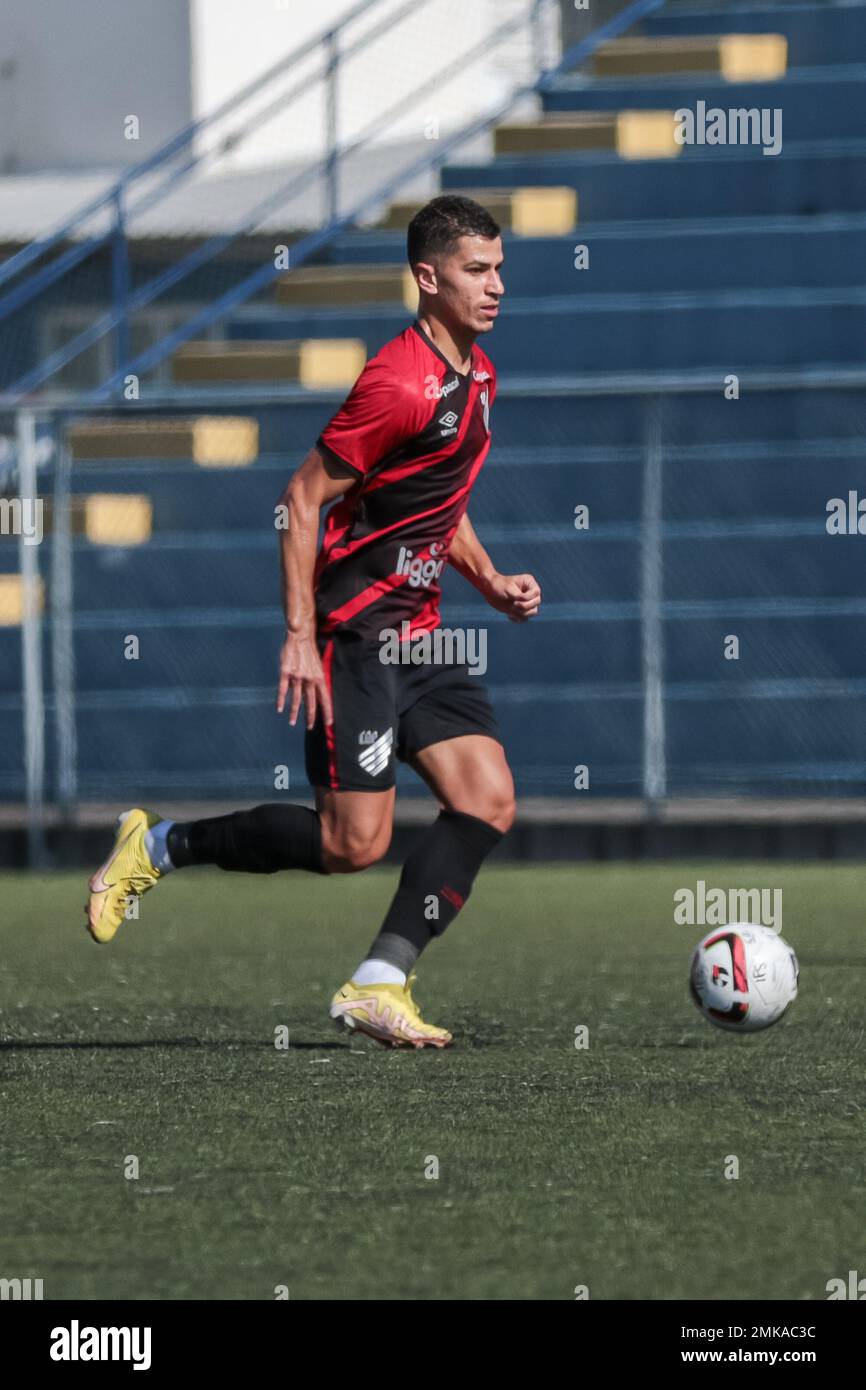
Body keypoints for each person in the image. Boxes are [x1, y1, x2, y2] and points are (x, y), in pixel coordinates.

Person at [85, 194, 542, 1048]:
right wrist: (300, 634)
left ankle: (379, 981)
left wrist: (488, 579)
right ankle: (159, 845)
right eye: (478, 270)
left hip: (426, 634)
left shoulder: (478, 375)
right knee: (350, 845)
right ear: (426, 277)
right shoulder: (397, 381)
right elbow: (301, 499)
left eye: (500, 268)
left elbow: (441, 498)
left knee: (488, 798)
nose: (496, 286)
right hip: (357, 638)